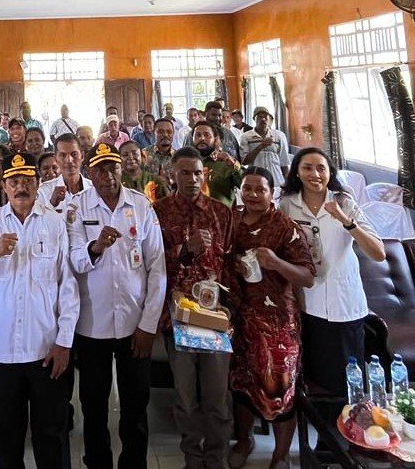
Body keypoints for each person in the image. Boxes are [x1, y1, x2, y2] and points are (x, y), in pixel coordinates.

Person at [0, 152, 80, 469]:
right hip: (2, 352)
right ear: (4, 186)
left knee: (51, 436)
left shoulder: (54, 223)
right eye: (14, 181)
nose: (20, 187)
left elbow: (68, 286)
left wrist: (64, 342)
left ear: (38, 184)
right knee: (7, 439)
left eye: (27, 180)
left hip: (46, 350)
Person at [278, 148, 385, 449]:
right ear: (297, 172)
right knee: (314, 381)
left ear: (330, 173)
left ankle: (347, 445)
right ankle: (322, 447)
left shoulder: (344, 202)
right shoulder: (288, 205)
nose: (315, 174)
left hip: (343, 305)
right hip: (307, 303)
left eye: (321, 168)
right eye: (307, 168)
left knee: (345, 383)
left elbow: (378, 252)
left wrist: (345, 220)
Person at [68, 142, 166, 469]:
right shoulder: (78, 207)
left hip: (134, 325)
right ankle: (98, 462)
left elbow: (157, 267)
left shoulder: (140, 205)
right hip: (91, 325)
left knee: (136, 402)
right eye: (100, 170)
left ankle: (133, 463)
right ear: (89, 173)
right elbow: (73, 261)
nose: (108, 175)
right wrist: (95, 248)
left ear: (122, 169)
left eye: (113, 168)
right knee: (93, 404)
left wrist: (148, 325)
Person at [227, 168, 316, 469]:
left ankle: (281, 454)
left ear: (272, 192)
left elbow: (307, 277)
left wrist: (276, 263)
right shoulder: (233, 219)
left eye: (260, 190)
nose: (252, 195)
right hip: (239, 315)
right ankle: (244, 439)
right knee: (241, 382)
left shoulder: (285, 227)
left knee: (280, 386)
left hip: (277, 321)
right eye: (247, 189)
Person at [154, 147, 235, 469]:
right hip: (179, 319)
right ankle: (192, 456)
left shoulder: (221, 213)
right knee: (185, 398)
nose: (192, 179)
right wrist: (185, 250)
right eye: (185, 173)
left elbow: (230, 264)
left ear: (205, 175)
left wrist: (231, 312)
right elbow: (151, 265)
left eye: (198, 173)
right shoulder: (158, 212)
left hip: (214, 318)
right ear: (172, 175)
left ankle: (217, 458)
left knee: (217, 396)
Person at [192, 121, 244, 206]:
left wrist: (233, 164)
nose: (202, 138)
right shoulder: (186, 163)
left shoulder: (226, 162)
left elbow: (245, 184)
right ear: (192, 139)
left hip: (222, 212)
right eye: (198, 135)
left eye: (206, 135)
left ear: (215, 139)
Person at [39, 133, 93, 214]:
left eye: (74, 154)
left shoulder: (94, 189)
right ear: (56, 159)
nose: (69, 160)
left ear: (82, 156)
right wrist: (51, 204)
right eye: (63, 155)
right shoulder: (44, 191)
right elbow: (38, 221)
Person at [240, 106, 291, 188]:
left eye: (265, 117)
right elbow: (244, 161)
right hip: (256, 181)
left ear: (269, 119)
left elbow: (284, 161)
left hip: (277, 180)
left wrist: (288, 182)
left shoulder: (279, 136)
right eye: (260, 117)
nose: (263, 119)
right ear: (254, 119)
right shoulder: (246, 136)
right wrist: (261, 146)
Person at [143, 118, 176, 185]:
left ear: (173, 133)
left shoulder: (178, 157)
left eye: (169, 132)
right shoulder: (144, 154)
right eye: (161, 132)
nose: (165, 135)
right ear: (154, 133)